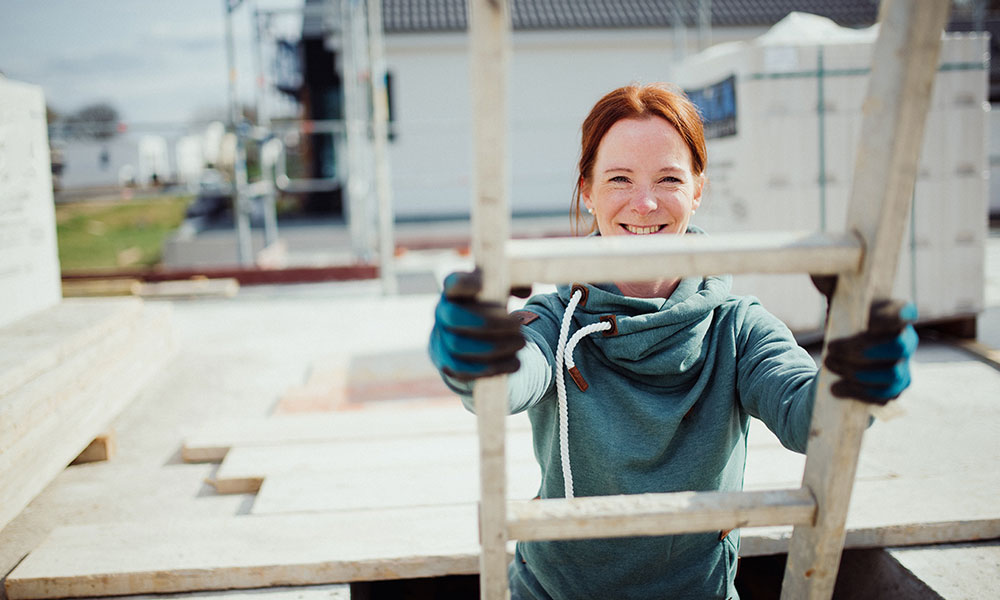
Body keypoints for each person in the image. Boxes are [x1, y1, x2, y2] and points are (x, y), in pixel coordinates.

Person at [428, 83, 917, 600]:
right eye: (619, 179)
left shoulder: (737, 328)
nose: (644, 203)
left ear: (698, 190)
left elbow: (808, 419)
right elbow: (507, 380)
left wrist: (853, 377)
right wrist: (474, 358)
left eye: (669, 179)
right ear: (587, 191)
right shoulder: (554, 321)